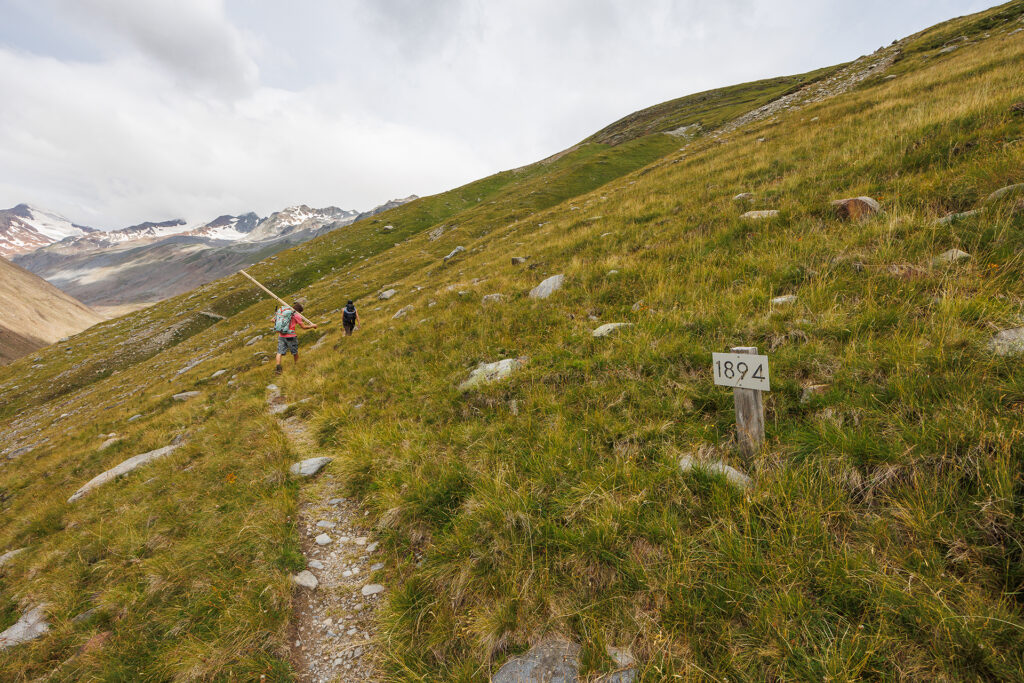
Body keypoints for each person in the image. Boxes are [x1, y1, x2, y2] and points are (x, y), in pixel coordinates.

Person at [274, 302, 316, 374]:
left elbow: (273, 320)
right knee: (294, 352)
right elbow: (303, 327)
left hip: (281, 335)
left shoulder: (284, 313)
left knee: (279, 352)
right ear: (299, 311)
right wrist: (313, 326)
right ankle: (297, 366)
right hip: (291, 336)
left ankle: (278, 367)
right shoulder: (296, 315)